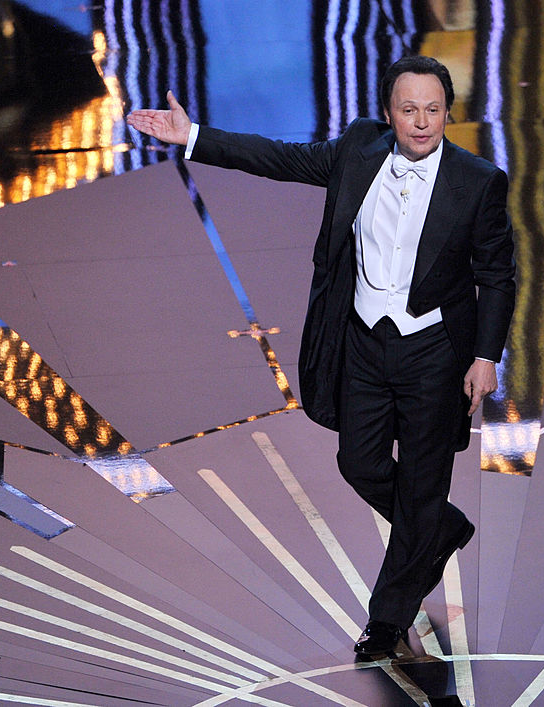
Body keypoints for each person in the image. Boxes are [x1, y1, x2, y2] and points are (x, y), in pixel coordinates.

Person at [127, 55, 515, 655]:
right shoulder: (359, 149)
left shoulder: (478, 180)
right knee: (359, 464)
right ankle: (437, 526)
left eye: (433, 110)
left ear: (447, 112)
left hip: (435, 352)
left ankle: (387, 620)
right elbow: (281, 159)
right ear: (388, 113)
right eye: (408, 110)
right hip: (361, 340)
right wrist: (194, 136)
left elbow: (497, 275)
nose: (421, 123)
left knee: (419, 484)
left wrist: (486, 356)